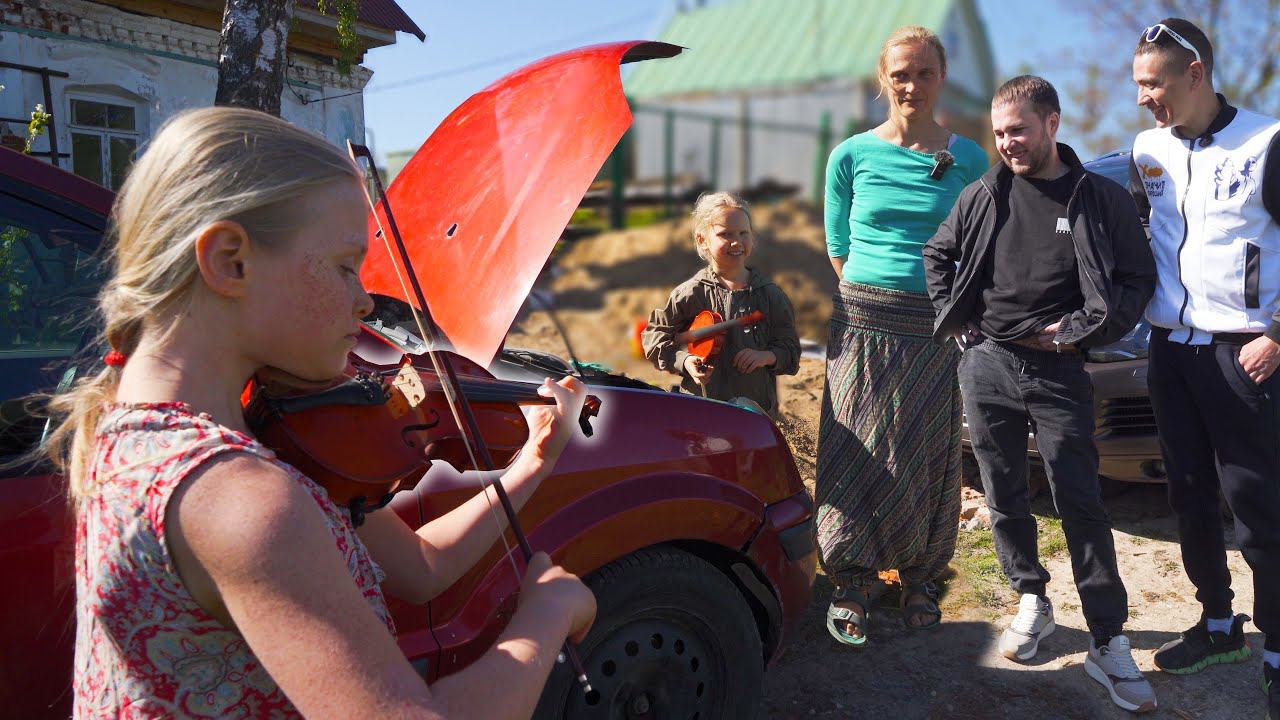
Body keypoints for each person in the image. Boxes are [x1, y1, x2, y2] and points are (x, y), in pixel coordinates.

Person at [45, 107, 596, 719]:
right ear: (230, 261)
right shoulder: (239, 496)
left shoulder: (141, 428)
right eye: (344, 266)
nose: (365, 301)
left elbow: (418, 568)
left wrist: (532, 464)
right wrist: (544, 619)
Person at [923, 75, 1158, 712]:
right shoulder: (982, 194)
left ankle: (1108, 639)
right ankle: (1031, 598)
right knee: (1003, 492)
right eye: (1000, 133)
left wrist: (1084, 331)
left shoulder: (1098, 198)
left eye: (1019, 130)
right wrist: (956, 323)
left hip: (1059, 371)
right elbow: (937, 254)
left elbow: (1137, 279)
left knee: (1080, 500)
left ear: (1052, 123)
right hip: (987, 366)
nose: (1009, 143)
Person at [815, 24, 988, 648]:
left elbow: (976, 244)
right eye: (900, 74)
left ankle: (919, 575)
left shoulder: (971, 159)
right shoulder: (850, 155)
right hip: (863, 319)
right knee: (853, 446)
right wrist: (876, 292)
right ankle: (852, 578)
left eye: (923, 73)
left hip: (933, 325)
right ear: (883, 80)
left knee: (927, 448)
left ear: (941, 78)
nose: (911, 85)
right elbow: (837, 244)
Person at [1128, 18, 1280, 717]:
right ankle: (1218, 625)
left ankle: (1277, 651)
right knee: (1188, 494)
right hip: (1170, 351)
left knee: (1258, 506)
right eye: (1137, 85)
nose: (1143, 98)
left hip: (1243, 353)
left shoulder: (1267, 142)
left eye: (1153, 84)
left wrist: (1276, 333)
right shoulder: (1147, 149)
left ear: (1195, 74)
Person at [641, 191, 800, 416]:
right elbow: (654, 336)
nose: (737, 242)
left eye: (744, 233)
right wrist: (685, 361)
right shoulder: (690, 293)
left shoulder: (770, 294)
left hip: (755, 415)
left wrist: (766, 356)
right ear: (702, 240)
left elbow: (790, 350)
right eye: (725, 234)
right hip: (700, 410)